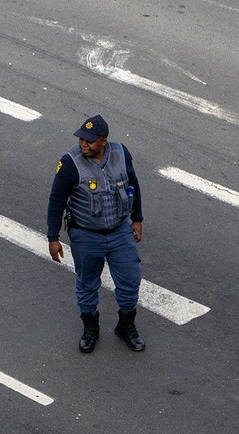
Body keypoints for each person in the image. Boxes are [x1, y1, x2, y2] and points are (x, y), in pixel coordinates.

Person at [46, 115, 146, 353]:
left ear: (104, 141)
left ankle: (126, 326)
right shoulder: (70, 163)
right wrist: (53, 237)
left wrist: (137, 219)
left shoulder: (121, 154)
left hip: (120, 232)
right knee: (87, 284)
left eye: (90, 140)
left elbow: (133, 185)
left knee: (130, 281)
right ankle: (91, 327)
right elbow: (56, 200)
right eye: (82, 138)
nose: (83, 144)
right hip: (86, 235)